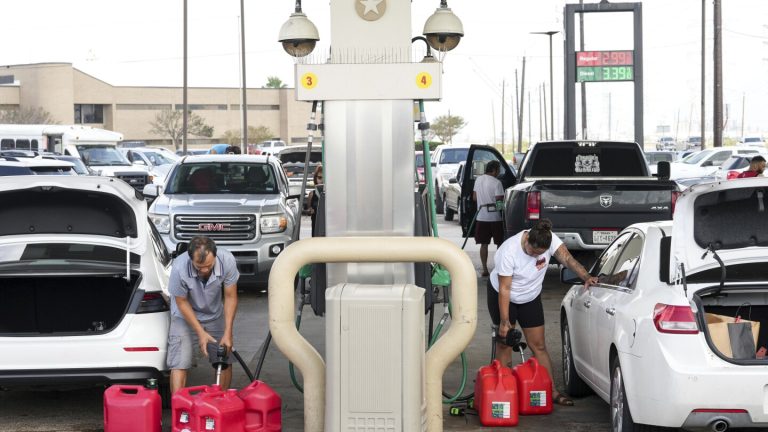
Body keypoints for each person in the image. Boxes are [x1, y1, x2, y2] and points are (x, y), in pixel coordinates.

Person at [489, 219, 598, 406]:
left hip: (530, 296)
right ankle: (504, 393)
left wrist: (586, 276)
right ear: (527, 240)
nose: (534, 256)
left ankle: (551, 391)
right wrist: (505, 322)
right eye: (532, 251)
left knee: (538, 345)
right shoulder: (508, 251)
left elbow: (568, 260)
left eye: (539, 254)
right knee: (505, 344)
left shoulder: (550, 240)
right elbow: (505, 289)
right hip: (504, 295)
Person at [167, 236, 240, 393]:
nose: (205, 270)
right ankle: (179, 410)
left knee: (224, 359)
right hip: (183, 316)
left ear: (215, 255)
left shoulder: (227, 260)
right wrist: (200, 332)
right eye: (199, 267)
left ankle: (220, 404)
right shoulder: (179, 267)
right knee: (179, 362)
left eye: (209, 265)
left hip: (214, 315)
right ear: (190, 258)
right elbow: (182, 302)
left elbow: (230, 296)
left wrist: (228, 332)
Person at [473, 160, 504, 277]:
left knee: (484, 244)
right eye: (498, 170)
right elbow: (500, 203)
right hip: (495, 218)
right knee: (500, 245)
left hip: (481, 217)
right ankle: (499, 269)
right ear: (495, 170)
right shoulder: (497, 183)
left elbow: (474, 197)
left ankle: (485, 269)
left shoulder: (478, 180)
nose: (498, 173)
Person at [307, 165, 323, 237]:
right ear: (315, 178)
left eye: (324, 178)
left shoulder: (332, 194)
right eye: (319, 177)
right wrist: (310, 210)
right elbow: (308, 210)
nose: (322, 180)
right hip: (316, 230)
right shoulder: (312, 194)